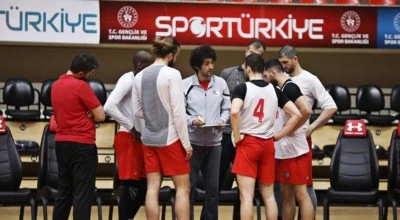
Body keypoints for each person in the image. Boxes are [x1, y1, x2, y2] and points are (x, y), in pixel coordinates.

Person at [230, 54, 302, 220]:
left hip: (248, 143)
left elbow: (234, 112)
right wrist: (279, 135)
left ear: (247, 69)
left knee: (246, 196)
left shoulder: (242, 88)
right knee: (269, 196)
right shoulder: (274, 89)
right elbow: (296, 114)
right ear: (263, 70)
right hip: (268, 144)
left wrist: (236, 135)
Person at [132, 37, 193, 220]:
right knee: (183, 188)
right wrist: (186, 144)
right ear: (171, 55)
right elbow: (178, 114)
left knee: (152, 188)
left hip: (149, 138)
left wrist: (153, 118)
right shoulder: (172, 74)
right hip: (171, 139)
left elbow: (137, 112)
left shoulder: (139, 75)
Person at [278, 45, 338, 215]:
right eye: (280, 62)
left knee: (303, 190)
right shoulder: (281, 80)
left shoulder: (310, 79)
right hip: (283, 141)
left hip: (300, 140)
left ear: (295, 59)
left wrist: (312, 127)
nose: (283, 66)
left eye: (286, 62)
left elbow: (331, 107)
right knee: (285, 192)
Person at [51, 53, 105, 220]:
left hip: (61, 142)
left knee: (64, 191)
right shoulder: (81, 86)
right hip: (82, 145)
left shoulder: (56, 85)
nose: (91, 76)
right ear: (81, 73)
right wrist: (88, 113)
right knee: (82, 193)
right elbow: (101, 116)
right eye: (90, 73)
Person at [104, 50, 154, 220]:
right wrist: (131, 127)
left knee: (144, 184)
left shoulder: (141, 82)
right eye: (148, 66)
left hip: (141, 139)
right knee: (130, 184)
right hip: (128, 137)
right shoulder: (128, 79)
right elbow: (109, 106)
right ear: (140, 65)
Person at [183, 45, 230, 220]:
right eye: (207, 63)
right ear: (197, 66)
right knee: (188, 188)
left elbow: (227, 108)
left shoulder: (221, 83)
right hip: (192, 144)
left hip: (214, 144)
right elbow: (180, 112)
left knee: (212, 190)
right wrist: (191, 120)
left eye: (212, 63)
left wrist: (222, 120)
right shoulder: (185, 84)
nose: (211, 67)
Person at [263, 58, 314, 220]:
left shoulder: (290, 87)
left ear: (273, 73)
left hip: (295, 151)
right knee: (286, 195)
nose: (265, 79)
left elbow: (306, 110)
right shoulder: (280, 88)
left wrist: (292, 128)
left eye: (265, 76)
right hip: (284, 151)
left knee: (301, 194)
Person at [219, 39, 266, 190]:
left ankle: (240, 215)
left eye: (258, 55)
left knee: (244, 183)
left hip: (247, 135)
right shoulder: (228, 72)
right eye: (251, 52)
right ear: (245, 52)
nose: (253, 56)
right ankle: (209, 214)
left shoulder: (263, 79)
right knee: (218, 177)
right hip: (227, 133)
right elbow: (219, 99)